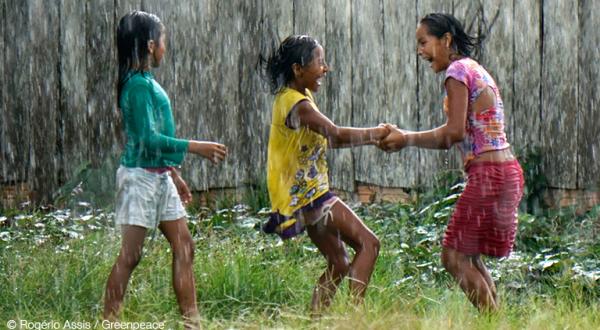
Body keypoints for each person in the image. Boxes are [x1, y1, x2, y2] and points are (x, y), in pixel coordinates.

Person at [379, 13, 524, 312]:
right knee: (468, 255)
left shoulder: (456, 72)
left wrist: (405, 137)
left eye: (423, 42)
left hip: (490, 175)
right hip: (506, 172)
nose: (419, 51)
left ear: (446, 40)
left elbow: (452, 133)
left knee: (453, 257)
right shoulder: (473, 68)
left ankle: (491, 321)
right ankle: (494, 321)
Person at [104, 10, 227, 328]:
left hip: (158, 177)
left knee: (185, 245)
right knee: (131, 256)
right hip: (139, 179)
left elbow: (151, 141)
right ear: (149, 45)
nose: (165, 47)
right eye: (163, 41)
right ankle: (109, 321)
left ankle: (192, 322)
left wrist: (173, 173)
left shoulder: (146, 81)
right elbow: (147, 139)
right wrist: (195, 147)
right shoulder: (138, 86)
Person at [259, 35, 389, 313]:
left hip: (301, 198)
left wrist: (373, 138)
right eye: (320, 62)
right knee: (369, 244)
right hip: (311, 197)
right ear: (298, 69)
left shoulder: (297, 98)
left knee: (339, 263)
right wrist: (376, 133)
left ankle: (315, 321)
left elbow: (332, 139)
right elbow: (337, 134)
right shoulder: (297, 104)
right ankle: (355, 318)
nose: (325, 68)